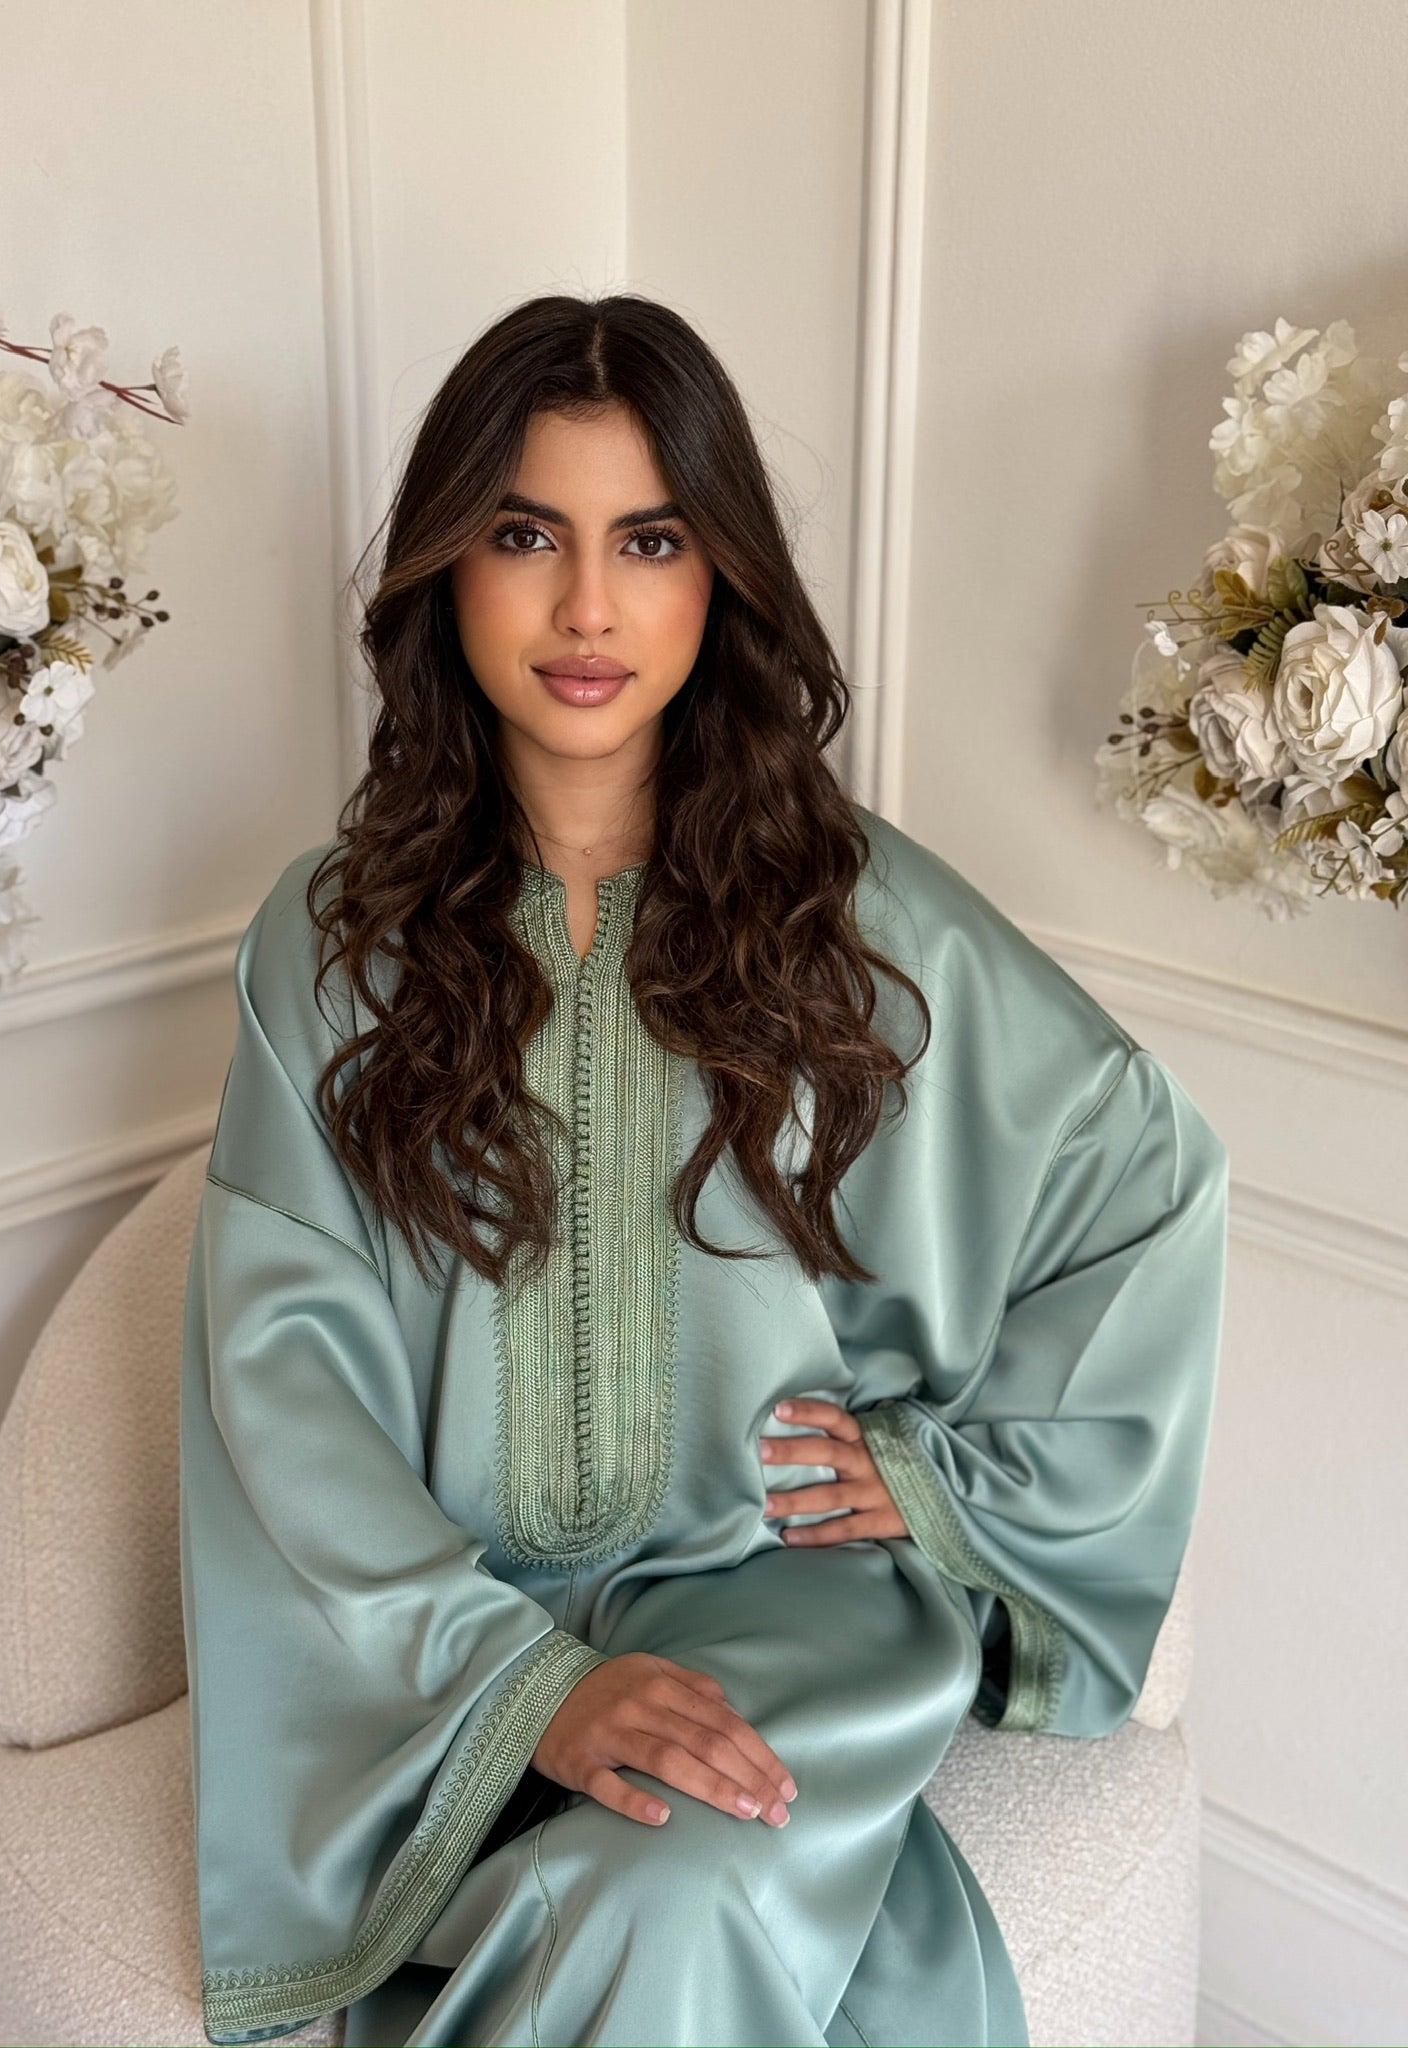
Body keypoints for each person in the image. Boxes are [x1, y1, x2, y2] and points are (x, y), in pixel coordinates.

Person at [178, 292, 1229, 2048]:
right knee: (641, 1890)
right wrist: (522, 1686)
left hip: (784, 1602)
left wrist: (948, 1479)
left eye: (648, 539)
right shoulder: (328, 943)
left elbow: (1144, 1178)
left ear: (715, 577)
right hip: (440, 1645)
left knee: (674, 1882)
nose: (587, 607)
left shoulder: (864, 923)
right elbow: (280, 1373)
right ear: (446, 570)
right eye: (526, 534)